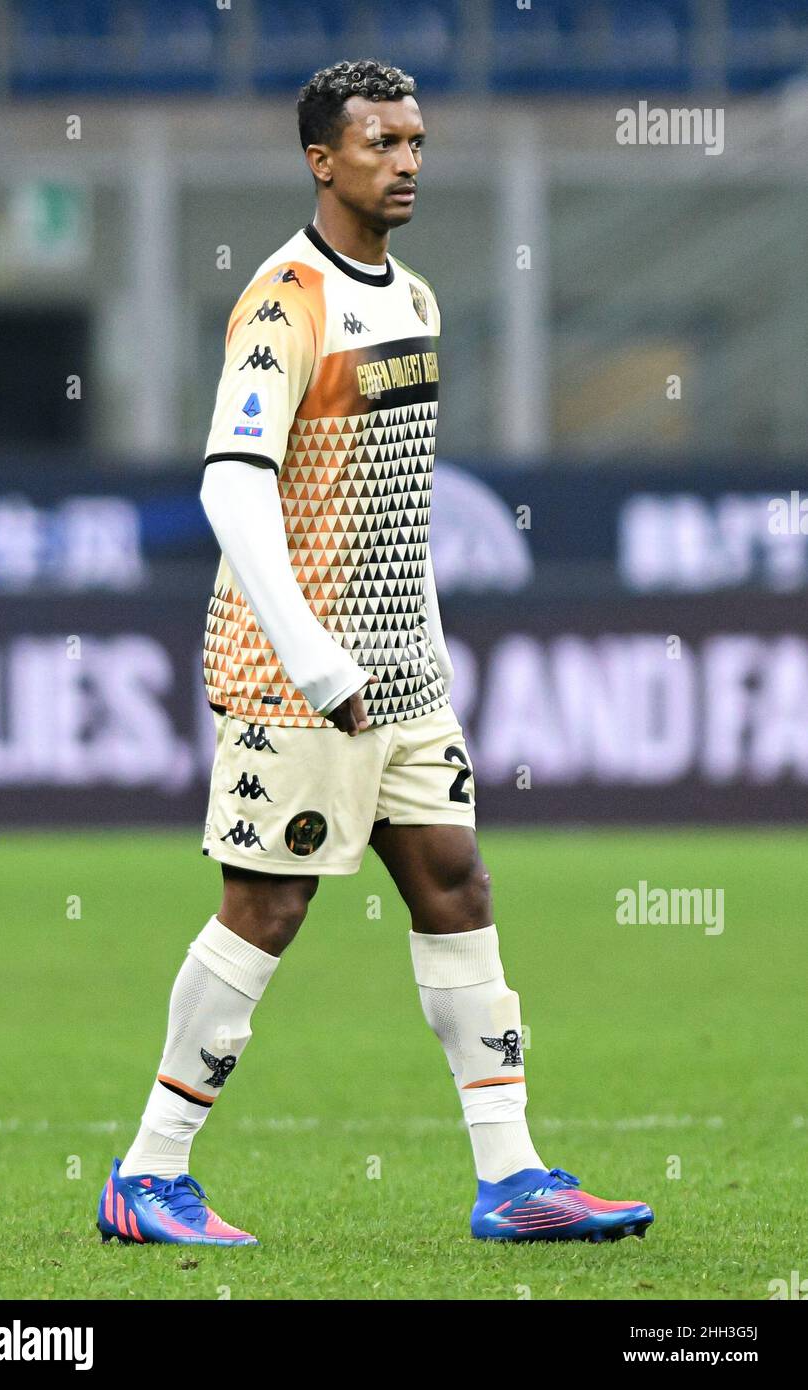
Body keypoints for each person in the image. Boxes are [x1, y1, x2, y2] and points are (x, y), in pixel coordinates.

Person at [97, 58, 653, 1248]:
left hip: (401, 669)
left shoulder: (415, 297)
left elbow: (397, 508)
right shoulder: (283, 301)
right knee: (268, 902)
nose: (403, 162)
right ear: (320, 159)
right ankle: (146, 1176)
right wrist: (312, 656)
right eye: (379, 143)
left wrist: (418, 651)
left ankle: (511, 1179)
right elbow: (231, 487)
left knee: (455, 885)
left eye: (414, 141)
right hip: (290, 672)